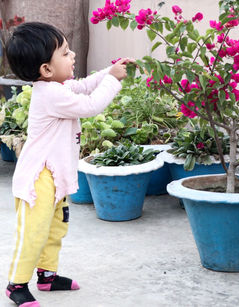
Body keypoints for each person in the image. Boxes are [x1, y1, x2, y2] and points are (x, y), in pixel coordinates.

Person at [5, 21, 133, 307]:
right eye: (64, 53)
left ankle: (47, 276)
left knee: (54, 229)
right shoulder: (50, 94)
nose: (72, 55)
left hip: (55, 175)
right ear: (46, 70)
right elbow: (90, 105)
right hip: (38, 178)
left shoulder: (58, 86)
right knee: (34, 232)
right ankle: (16, 284)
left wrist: (109, 72)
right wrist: (113, 79)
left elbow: (84, 86)